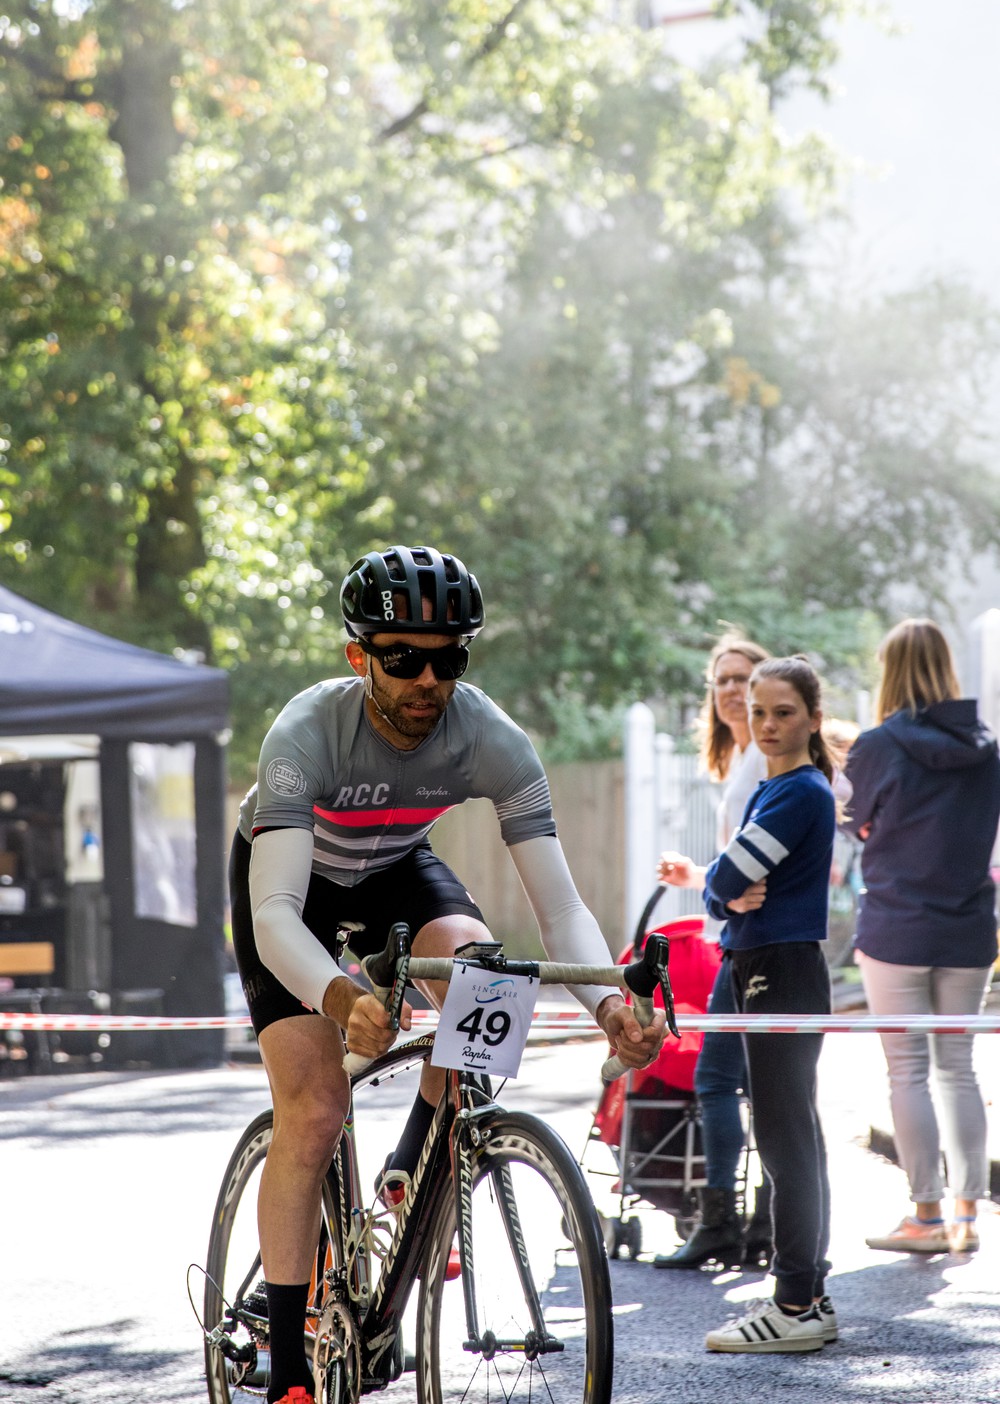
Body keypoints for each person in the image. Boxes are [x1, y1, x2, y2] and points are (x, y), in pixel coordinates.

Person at [230, 544, 666, 1404]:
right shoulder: (306, 732)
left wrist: (610, 998)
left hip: (395, 865)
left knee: (488, 978)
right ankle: (288, 1373)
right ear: (359, 657)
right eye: (403, 660)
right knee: (315, 1112)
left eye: (450, 658)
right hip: (293, 887)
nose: (429, 680)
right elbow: (275, 914)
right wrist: (341, 992)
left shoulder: (492, 737)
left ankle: (412, 1159)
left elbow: (561, 907)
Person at [655, 657, 839, 1354]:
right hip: (765, 963)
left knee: (788, 1143)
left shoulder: (797, 792)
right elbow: (724, 885)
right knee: (790, 1139)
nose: (766, 724)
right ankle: (805, 1295)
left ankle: (796, 1303)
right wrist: (721, 892)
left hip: (781, 969)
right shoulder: (777, 787)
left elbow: (728, 876)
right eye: (759, 711)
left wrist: (721, 890)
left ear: (814, 719)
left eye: (783, 712)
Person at [845, 618, 1000, 1257]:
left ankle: (927, 1216)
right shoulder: (989, 747)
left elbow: (852, 822)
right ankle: (967, 1216)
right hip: (968, 926)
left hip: (896, 928)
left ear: (891, 671)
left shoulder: (877, 744)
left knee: (906, 1071)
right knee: (959, 1069)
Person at [653, 634, 772, 1269]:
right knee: (758, 1084)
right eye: (721, 679)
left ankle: (729, 1219)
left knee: (719, 1079)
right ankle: (760, 1220)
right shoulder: (744, 758)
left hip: (753, 944)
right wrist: (700, 878)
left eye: (742, 677)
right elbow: (741, 864)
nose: (730, 689)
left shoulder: (766, 757)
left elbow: (774, 849)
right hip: (739, 936)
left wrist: (741, 888)